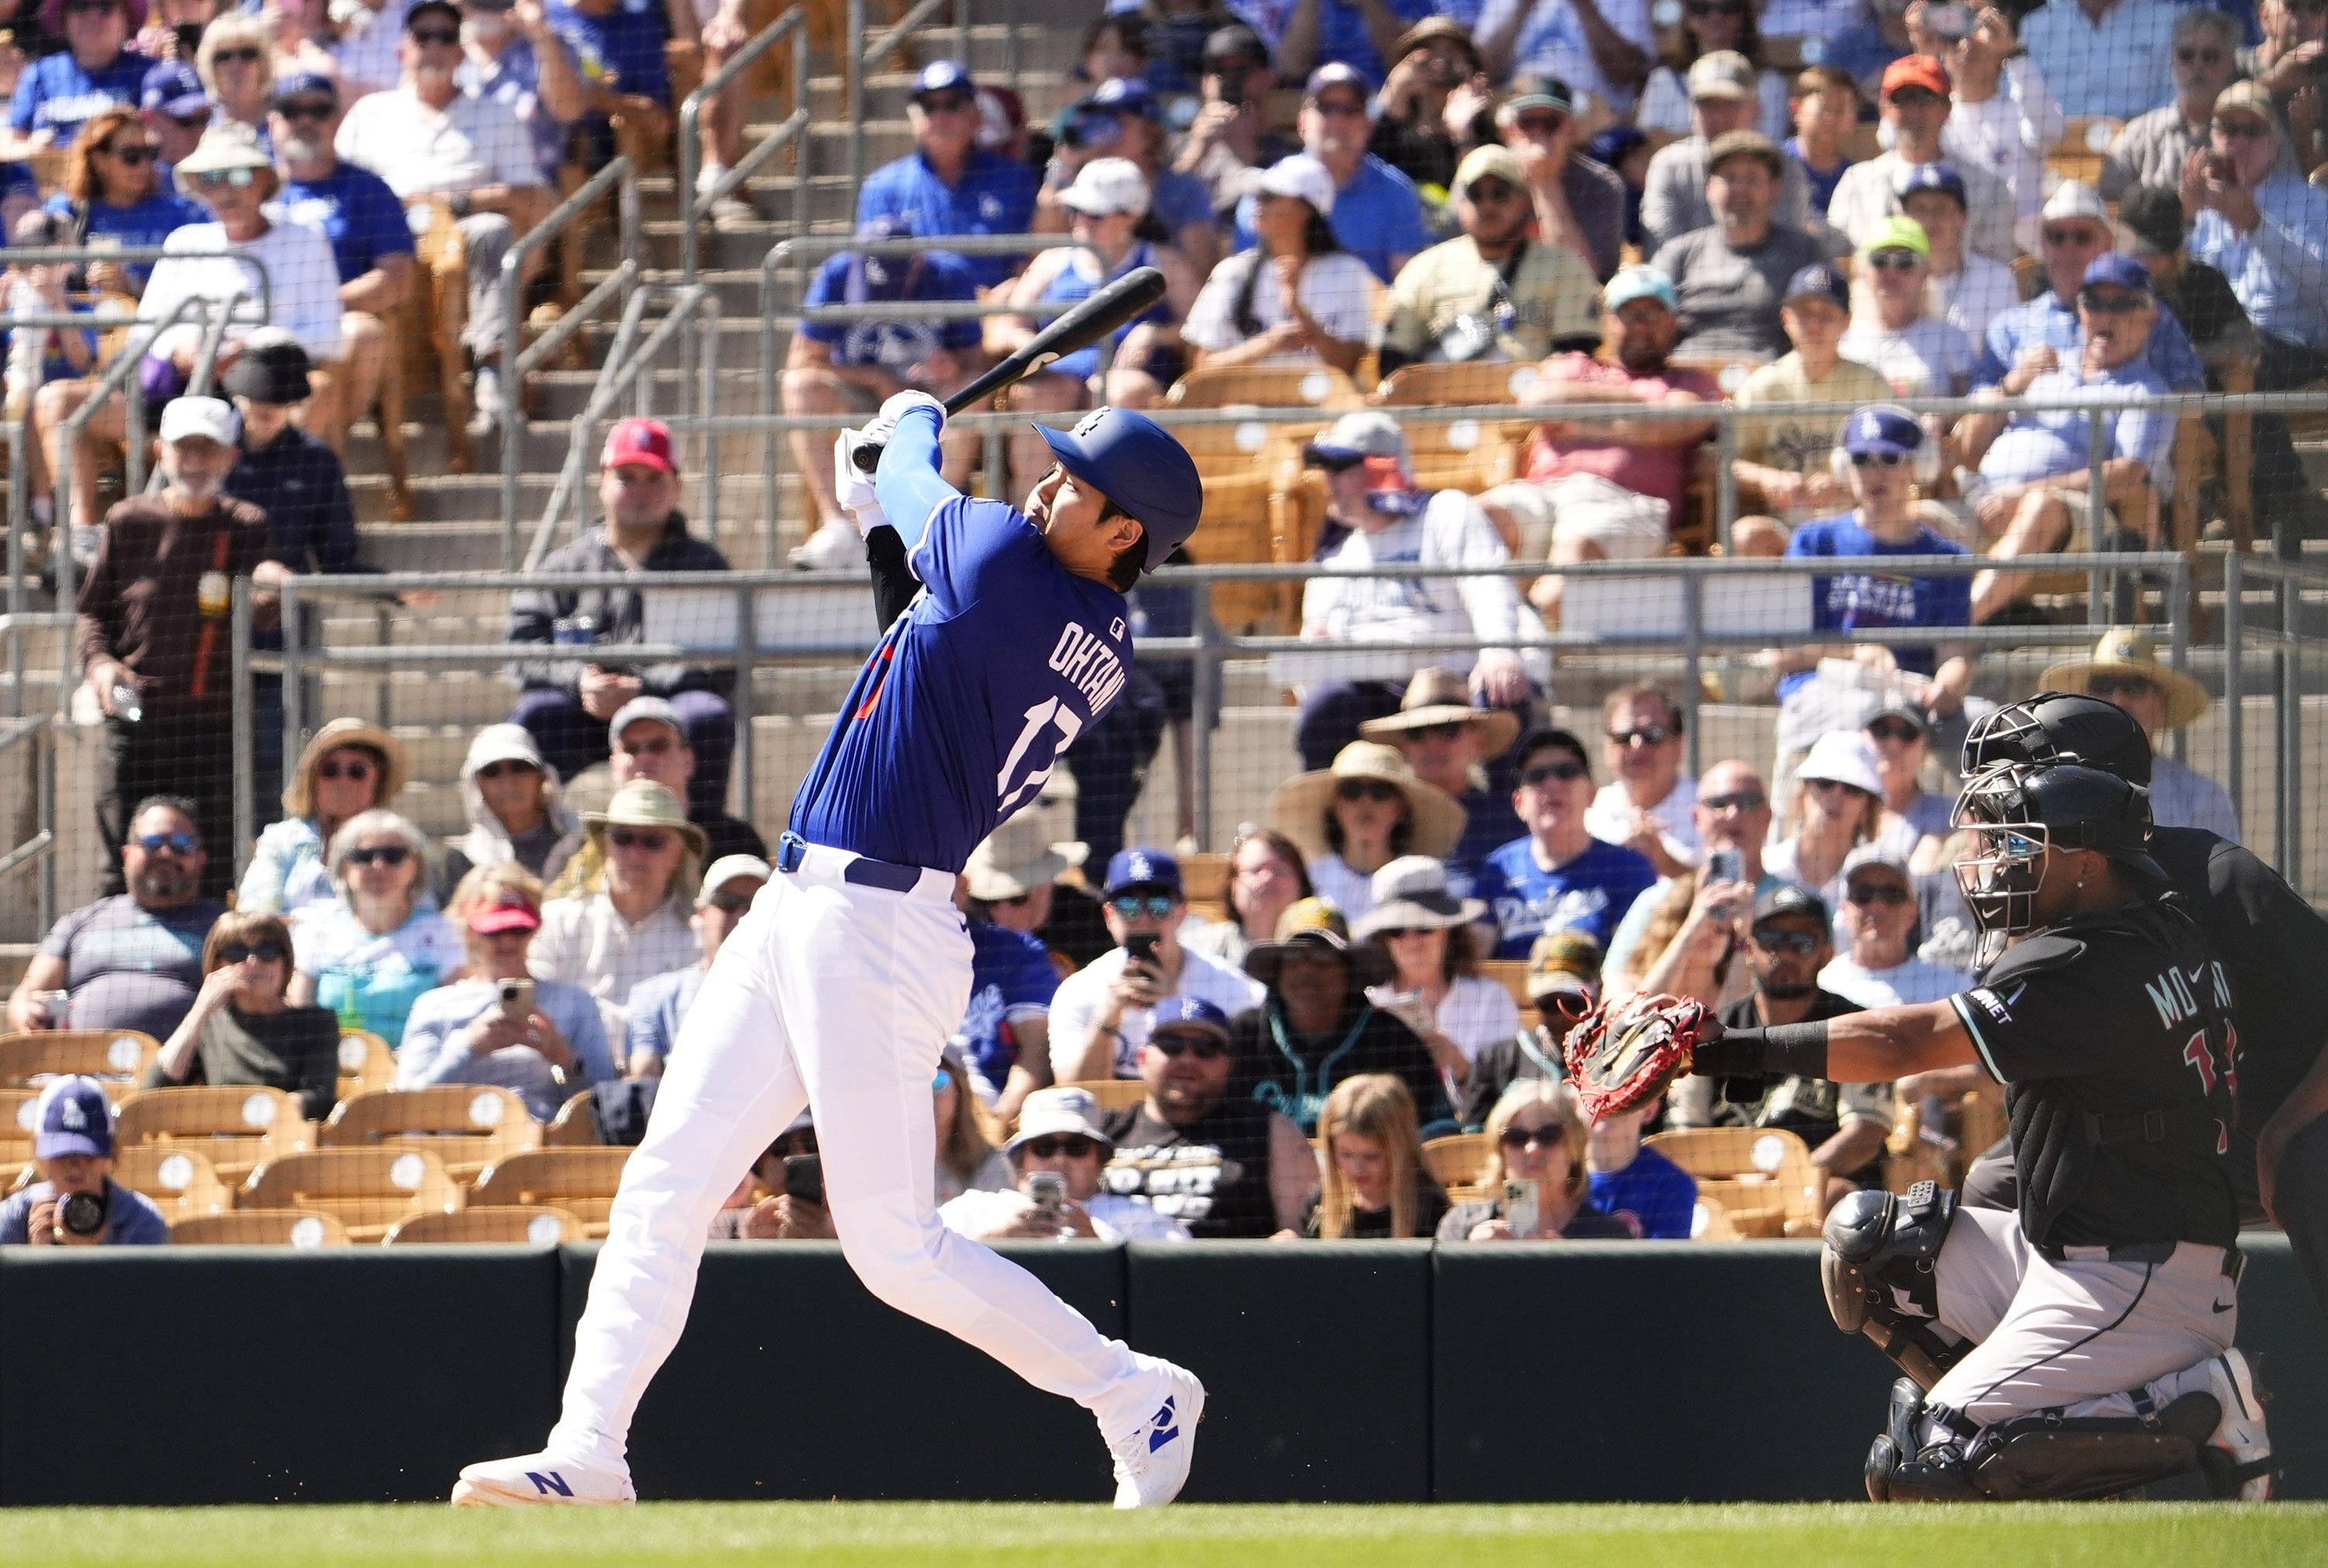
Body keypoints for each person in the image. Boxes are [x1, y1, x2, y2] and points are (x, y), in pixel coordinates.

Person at [457, 392, 1213, 1507]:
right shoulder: (1080, 620)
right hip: (810, 907)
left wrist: (905, 426)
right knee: (664, 1187)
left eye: (1076, 485)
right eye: (1054, 470)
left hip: (877, 926)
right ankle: (589, 1451)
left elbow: (921, 479)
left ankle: (1127, 1388)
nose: (1047, 484)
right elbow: (913, 640)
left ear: (1125, 537)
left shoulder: (1007, 559)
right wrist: (875, 513)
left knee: (895, 1247)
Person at [1687, 759, 2269, 1502]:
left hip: (2139, 1279)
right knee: (1872, 1247)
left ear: (2089, 863)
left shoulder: (2089, 958)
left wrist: (1725, 1048)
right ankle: (2043, 1429)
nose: (1993, 865)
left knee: (1925, 1465)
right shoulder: (2165, 928)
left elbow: (1906, 1041)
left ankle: (2196, 1401)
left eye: (2020, 847)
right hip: (2077, 1251)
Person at [1958, 691, 2328, 1341]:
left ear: (2085, 790)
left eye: (2017, 781)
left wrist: (2288, 1128)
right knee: (1994, 1186)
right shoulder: (2038, 885)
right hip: (2169, 1134)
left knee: (2310, 1171)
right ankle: (2055, 1411)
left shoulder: (2220, 878)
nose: (2000, 803)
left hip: (2282, 1120)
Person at [72, 395, 270, 895]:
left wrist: (275, 587)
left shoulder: (246, 525)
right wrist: (99, 666)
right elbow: (92, 612)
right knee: (121, 861)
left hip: (215, 724)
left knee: (216, 862)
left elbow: (264, 603)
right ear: (160, 452)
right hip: (134, 718)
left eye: (210, 450)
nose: (197, 462)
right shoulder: (127, 520)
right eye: (186, 450)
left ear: (231, 457)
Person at [331, 0, 552, 431]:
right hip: (385, 235)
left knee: (494, 231)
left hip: (465, 227)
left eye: (446, 37)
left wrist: (454, 203)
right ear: (403, 50)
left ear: (461, 52)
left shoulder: (495, 114)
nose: (433, 46)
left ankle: (492, 373)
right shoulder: (369, 113)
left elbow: (532, 196)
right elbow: (337, 185)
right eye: (422, 36)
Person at [504, 417, 737, 819]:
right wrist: (579, 680)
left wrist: (645, 688)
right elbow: (522, 649)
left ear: (676, 487)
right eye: (627, 477)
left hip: (666, 714)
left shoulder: (704, 565)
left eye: (654, 478)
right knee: (534, 715)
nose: (640, 492)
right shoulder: (564, 567)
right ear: (602, 482)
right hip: (582, 713)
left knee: (707, 714)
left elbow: (720, 664)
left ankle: (699, 841)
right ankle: (535, 847)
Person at [1280, 412, 1536, 771]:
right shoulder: (1335, 555)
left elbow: (1487, 585)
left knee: (1505, 695)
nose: (1330, 482)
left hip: (1454, 685)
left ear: (1380, 469)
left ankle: (1503, 824)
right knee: (1323, 710)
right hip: (1374, 689)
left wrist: (1499, 652)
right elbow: (1313, 647)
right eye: (1328, 470)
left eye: (1342, 469)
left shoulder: (1446, 512)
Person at [1476, 268, 1720, 624]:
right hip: (1545, 493)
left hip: (1627, 504)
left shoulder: (1692, 380)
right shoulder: (1572, 365)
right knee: (1481, 517)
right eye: (1628, 313)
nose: (1640, 325)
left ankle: (1521, 648)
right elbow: (1538, 403)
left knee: (1576, 552)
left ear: (1672, 323)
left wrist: (1578, 420)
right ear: (1607, 321)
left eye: (1652, 314)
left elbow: (1680, 421)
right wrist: (1643, 407)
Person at [1955, 255, 2178, 624]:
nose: (2105, 316)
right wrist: (2010, 386)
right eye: (2094, 303)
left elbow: (2129, 475)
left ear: (2148, 318)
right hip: (1983, 499)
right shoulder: (2043, 368)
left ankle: (1953, 628)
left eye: (2121, 304)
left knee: (2040, 507)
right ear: (2080, 310)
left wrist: (2023, 495)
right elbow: (1967, 450)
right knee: (1914, 520)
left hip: (2077, 516)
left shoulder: (2146, 391)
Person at [1768, 406, 1974, 768]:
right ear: (1843, 467)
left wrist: (1949, 684)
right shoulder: (1814, 543)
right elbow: (1782, 652)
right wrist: (1854, 652)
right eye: (1861, 458)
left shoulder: (1948, 559)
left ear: (1917, 467)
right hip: (1823, 689)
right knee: (1872, 717)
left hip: (1910, 698)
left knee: (1985, 725)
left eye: (1890, 459)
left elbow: (1953, 654)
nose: (1874, 472)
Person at [217, 331, 372, 805]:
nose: (266, 407)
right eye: (258, 397)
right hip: (202, 632)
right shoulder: (207, 453)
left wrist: (392, 588)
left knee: (278, 757)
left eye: (278, 399)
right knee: (208, 760)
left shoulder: (315, 460)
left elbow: (338, 555)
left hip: (281, 635)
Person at [1678, 881, 1886, 1210]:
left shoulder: (1853, 1025)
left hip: (1820, 1191)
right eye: (1771, 939)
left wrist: (1792, 1180)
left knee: (1838, 1195)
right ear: (1748, 950)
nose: (1785, 953)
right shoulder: (1710, 1032)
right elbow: (1686, 1136)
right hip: (1729, 1190)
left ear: (1827, 953)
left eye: (1802, 941)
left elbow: (1864, 1134)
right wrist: (1740, 1185)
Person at [998, 154, 1197, 489]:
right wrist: (1039, 350)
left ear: (1130, 217)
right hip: (1058, 376)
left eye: (1094, 215)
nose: (1080, 222)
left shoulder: (1163, 262)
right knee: (1041, 395)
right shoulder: (1053, 261)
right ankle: (1027, 514)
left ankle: (1112, 507)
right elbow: (1005, 326)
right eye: (1075, 210)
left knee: (1118, 391)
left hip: (1126, 378)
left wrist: (1155, 334)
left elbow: (1202, 328)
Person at [783, 220, 985, 548]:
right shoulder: (838, 273)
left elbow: (977, 363)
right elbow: (803, 360)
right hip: (862, 393)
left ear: (917, 261)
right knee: (801, 386)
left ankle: (930, 520)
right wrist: (877, 379)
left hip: (931, 396)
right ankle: (839, 527)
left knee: (973, 386)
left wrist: (953, 366)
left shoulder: (949, 274)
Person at [2181, 79, 2328, 529]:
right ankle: (2224, 495)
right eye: (2229, 130)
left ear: (2275, 140)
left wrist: (2255, 224)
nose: (2240, 142)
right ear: (2212, 138)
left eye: (2253, 131)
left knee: (2242, 365)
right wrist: (2185, 217)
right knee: (2189, 364)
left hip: (2297, 342)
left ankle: (2284, 494)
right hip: (2221, 341)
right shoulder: (2201, 210)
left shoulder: (2308, 201)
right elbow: (2179, 290)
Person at [130, 119, 344, 405]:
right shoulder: (184, 242)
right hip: (185, 392)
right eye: (211, 177)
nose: (224, 190)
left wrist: (252, 349)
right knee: (60, 401)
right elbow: (145, 330)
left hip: (274, 393)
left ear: (264, 180)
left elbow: (330, 337)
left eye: (239, 175)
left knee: (318, 390)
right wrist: (185, 349)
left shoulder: (306, 238)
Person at [397, 864, 617, 1120]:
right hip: (454, 1143)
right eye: (495, 931)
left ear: (536, 928)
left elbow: (608, 1103)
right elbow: (406, 1105)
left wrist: (561, 1055)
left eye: (519, 929)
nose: (508, 941)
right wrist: (468, 1046)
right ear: (469, 931)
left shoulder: (575, 1002)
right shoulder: (434, 1005)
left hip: (542, 1146)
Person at [271, 70, 416, 454]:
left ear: (337, 119)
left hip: (334, 320)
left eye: (318, 110)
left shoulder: (369, 189)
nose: (305, 121)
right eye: (291, 110)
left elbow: (397, 279)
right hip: (260, 321)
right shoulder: (251, 187)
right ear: (273, 122)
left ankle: (314, 452)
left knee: (363, 333)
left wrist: (321, 303)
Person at [1228, 898, 1450, 1134]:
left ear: (1348, 970)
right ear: (1278, 970)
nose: (1306, 970)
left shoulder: (1391, 1039)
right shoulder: (1244, 1035)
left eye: (1322, 956)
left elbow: (1438, 1129)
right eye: (1293, 957)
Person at [6, 796, 223, 1037]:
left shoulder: (222, 926)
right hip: (77, 1067)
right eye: (152, 842)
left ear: (201, 857)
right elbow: (26, 993)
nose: (165, 853)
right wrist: (25, 1009)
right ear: (127, 854)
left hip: (182, 1070)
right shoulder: (79, 922)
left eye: (181, 843)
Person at [1100, 995, 1314, 1238]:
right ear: (1142, 1059)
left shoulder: (1270, 1129)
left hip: (1230, 1272)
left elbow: (1299, 1236)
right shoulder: (1101, 1132)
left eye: (1206, 1049)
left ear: (1228, 1066)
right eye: (1171, 1045)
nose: (1188, 1059)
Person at [1972, 179, 2208, 398]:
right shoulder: (2009, 326)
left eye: (2082, 237)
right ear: (2043, 244)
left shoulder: (2152, 317)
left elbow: (2190, 401)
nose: (2069, 249)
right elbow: (1972, 410)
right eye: (2057, 237)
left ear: (2108, 245)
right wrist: (2013, 384)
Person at [1046, 846, 1265, 1083]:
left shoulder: (1232, 988)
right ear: (1109, 916)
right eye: (1129, 907)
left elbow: (1248, 1085)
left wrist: (1178, 1009)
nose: (1144, 919)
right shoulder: (1079, 990)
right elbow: (1073, 1093)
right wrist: (1108, 1017)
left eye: (1159, 906)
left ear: (1182, 913)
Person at [1380, 143, 1601, 375]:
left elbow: (1578, 359)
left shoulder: (1566, 267)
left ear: (1526, 199)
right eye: (1475, 194)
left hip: (1534, 401)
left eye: (1500, 193)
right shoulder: (1425, 268)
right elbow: (1393, 360)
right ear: (1460, 202)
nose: (1488, 205)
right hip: (1444, 402)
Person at [1729, 262, 1893, 547]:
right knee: (1747, 535)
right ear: (1786, 318)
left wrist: (1849, 486)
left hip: (1858, 521)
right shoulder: (1763, 386)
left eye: (1827, 315)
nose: (1814, 325)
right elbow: (1725, 462)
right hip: (1783, 527)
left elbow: (1901, 462)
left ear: (1846, 322)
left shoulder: (1872, 385)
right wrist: (1767, 478)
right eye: (1804, 314)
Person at [530, 778, 702, 1041]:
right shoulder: (557, 921)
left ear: (678, 855)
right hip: (572, 1074)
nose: (636, 853)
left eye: (653, 841)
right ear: (605, 847)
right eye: (623, 838)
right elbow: (536, 1009)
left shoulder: (698, 936)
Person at [1229, 63, 1430, 286]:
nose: (1337, 120)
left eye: (1350, 109)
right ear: (1302, 121)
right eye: (1325, 108)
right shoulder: (1265, 192)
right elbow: (1244, 281)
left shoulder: (1397, 193)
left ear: (1368, 125)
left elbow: (1403, 290)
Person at [1471, 725, 1658, 959]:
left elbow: (1635, 965)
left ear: (1592, 793)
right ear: (1519, 804)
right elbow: (1476, 962)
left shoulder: (1628, 869)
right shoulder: (1498, 869)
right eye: (1536, 776)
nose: (1552, 784)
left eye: (1567, 772)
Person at [853, 60, 1039, 292]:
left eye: (953, 104)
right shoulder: (883, 187)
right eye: (928, 107)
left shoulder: (1014, 179)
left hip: (994, 317)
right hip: (913, 320)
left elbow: (1029, 265)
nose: (940, 116)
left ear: (977, 116)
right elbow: (872, 269)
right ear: (914, 118)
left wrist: (1007, 296)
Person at [1602, 758, 1774, 1006]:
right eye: (1719, 803)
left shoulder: (1790, 901)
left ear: (1768, 817)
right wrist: (1693, 922)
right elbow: (1616, 1003)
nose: (1733, 813)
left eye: (1747, 803)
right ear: (1696, 818)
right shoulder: (1657, 901)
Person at [2039, 629, 2239, 840]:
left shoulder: (2201, 797)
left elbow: (2224, 873)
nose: (2118, 700)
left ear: (2161, 706)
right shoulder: (2056, 788)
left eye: (2134, 686)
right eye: (2103, 685)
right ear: (2085, 702)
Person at [287, 807, 462, 1046]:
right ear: (343, 867)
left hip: (416, 1074)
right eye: (363, 856)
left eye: (393, 855)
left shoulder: (444, 931)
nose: (378, 866)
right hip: (335, 1073)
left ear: (416, 866)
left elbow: (458, 1018)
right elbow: (298, 1017)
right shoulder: (315, 931)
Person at [1183, 154, 1371, 376]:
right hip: (1243, 407)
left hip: (1323, 406)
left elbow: (1349, 365)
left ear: (1306, 209)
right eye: (1257, 195)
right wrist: (1270, 342)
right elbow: (1202, 368)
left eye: (1269, 196)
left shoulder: (1348, 272)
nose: (1257, 203)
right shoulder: (1232, 272)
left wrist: (1297, 309)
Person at [142, 909, 339, 1118]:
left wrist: (243, 1115)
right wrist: (200, 1011)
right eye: (236, 952)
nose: (253, 962)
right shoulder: (206, 1025)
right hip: (220, 1141)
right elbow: (154, 1093)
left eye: (267, 950)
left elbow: (318, 1099)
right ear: (218, 963)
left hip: (287, 1141)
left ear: (285, 960)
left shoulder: (316, 1023)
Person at [1652, 127, 1826, 362]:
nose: (1740, 189)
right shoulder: (1678, 255)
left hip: (1770, 386)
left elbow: (1826, 320)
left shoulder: (1804, 252)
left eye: (1752, 178)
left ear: (1774, 189)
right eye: (1730, 177)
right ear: (1710, 188)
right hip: (1687, 382)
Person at [1824, 55, 2013, 265]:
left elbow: (1997, 268)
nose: (1914, 110)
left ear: (1947, 108)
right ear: (1884, 108)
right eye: (1902, 98)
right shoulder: (1857, 182)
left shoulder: (1988, 187)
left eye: (1925, 97)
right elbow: (1837, 259)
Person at [941, 1086, 1187, 1242]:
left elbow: (1176, 1280)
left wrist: (1097, 1245)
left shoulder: (1139, 1217)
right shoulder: (974, 1210)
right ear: (1020, 1161)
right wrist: (994, 1240)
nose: (1060, 1159)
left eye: (1076, 1147)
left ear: (1099, 1162)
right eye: (1044, 1147)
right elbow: (921, 1257)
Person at [1354, 669, 1523, 894]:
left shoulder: (1508, 822)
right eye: (1417, 732)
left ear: (1477, 741)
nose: (1431, 744)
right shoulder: (1382, 815)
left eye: (1447, 730)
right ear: (1403, 746)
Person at [1356, 853, 1516, 1087]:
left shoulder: (1491, 999)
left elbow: (1511, 1091)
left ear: (1449, 930)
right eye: (1397, 929)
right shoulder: (1367, 1005)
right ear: (1383, 940)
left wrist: (1459, 1064)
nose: (1412, 941)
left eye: (1424, 926)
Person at [1269, 739, 1467, 922]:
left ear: (1400, 809)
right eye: (1351, 791)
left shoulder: (1421, 879)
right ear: (1335, 807)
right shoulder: (1309, 880)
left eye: (1381, 791)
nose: (1366, 802)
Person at [1038, 76, 1218, 275]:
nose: (1106, 129)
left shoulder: (1183, 189)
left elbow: (1202, 271)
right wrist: (1063, 164)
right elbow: (1041, 246)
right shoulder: (1082, 181)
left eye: (1118, 121)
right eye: (1101, 119)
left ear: (1150, 129)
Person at [1639, 51, 1814, 256]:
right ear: (1692, 110)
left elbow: (1789, 250)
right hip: (1685, 284)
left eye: (1731, 103)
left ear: (1756, 109)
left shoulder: (1785, 169)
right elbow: (1664, 249)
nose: (1719, 115)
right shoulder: (1668, 165)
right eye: (1707, 104)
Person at [239, 716, 407, 919]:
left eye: (357, 771)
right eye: (330, 770)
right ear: (313, 782)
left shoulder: (398, 845)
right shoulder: (280, 839)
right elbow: (257, 912)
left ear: (378, 783)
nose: (343, 781)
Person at [1925, 3, 2059, 251]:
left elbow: (2049, 130)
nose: (1966, 46)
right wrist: (1923, 48)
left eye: (1977, 40)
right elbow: (1891, 138)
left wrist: (2014, 52)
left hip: (2020, 254)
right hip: (1955, 253)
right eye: (1956, 41)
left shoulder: (2020, 110)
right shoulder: (1933, 118)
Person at [623, 853, 767, 1078]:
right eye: (727, 903)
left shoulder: (797, 998)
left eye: (756, 906)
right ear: (701, 912)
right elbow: (643, 1084)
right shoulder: (653, 997)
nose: (741, 917)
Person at [1439, 1078, 1633, 1240]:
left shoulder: (1608, 1236)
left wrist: (1572, 1266)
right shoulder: (1461, 1226)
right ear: (1500, 1153)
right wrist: (1468, 1260)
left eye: (1549, 1136)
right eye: (1516, 1138)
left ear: (1573, 1149)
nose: (1532, 1149)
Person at [42, 102, 203, 296]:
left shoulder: (184, 213)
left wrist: (132, 287)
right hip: (83, 324)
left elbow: (204, 286)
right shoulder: (67, 212)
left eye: (150, 153)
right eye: (131, 156)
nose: (144, 165)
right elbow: (40, 281)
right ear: (99, 160)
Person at [952, 840, 1063, 1112]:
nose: (1004, 911)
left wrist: (1001, 1117)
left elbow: (1036, 1051)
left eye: (1018, 898)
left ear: (963, 888)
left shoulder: (1017, 951)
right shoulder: (880, 950)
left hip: (988, 1110)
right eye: (990, 902)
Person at [0, 1077, 171, 1245]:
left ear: (110, 1152)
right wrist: (33, 1260)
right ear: (39, 1153)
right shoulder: (12, 1217)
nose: (75, 1166)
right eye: (62, 1154)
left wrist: (89, 1256)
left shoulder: (140, 1219)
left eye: (88, 1155)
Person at [1455, 929, 1599, 1127]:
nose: (1562, 1016)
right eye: (1549, 1003)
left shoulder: (1619, 1057)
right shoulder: (1495, 1059)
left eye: (1574, 1004)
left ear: (1597, 996)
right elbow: (1474, 1136)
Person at [2101, 7, 2243, 202]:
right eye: (2186, 55)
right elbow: (2108, 208)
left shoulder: (2251, 134)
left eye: (2210, 56)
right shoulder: (2138, 135)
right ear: (2173, 60)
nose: (2197, 66)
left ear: (2232, 63)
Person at [601, 696, 764, 865]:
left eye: (659, 745)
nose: (645, 757)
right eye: (631, 748)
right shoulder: (593, 843)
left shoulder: (736, 841)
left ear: (688, 760)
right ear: (614, 765)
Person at [436, 722, 585, 903]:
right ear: (477, 784)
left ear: (541, 776)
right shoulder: (464, 859)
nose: (508, 781)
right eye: (492, 771)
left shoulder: (582, 841)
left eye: (519, 767)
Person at [1498, 76, 1628, 282]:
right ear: (1508, 130)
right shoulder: (1488, 176)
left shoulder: (1602, 185)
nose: (1538, 133)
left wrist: (1545, 184)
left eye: (1551, 123)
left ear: (1572, 129)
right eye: (1527, 122)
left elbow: (1590, 279)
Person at [1838, 215, 1974, 398]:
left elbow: (1974, 409)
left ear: (1926, 272)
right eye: (1880, 261)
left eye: (1905, 262)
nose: (1891, 273)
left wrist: (1944, 417)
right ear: (1864, 270)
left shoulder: (1949, 337)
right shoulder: (1843, 338)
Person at [1818, 843, 1969, 1007]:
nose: (1877, 906)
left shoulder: (1951, 988)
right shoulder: (1822, 984)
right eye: (1864, 894)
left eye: (1892, 894)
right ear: (1844, 909)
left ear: (1913, 911)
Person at [1170, 22, 1295, 221]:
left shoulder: (1285, 153)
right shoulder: (1177, 146)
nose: (1230, 81)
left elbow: (1288, 215)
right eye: (1219, 71)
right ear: (1205, 82)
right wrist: (1197, 152)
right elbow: (1162, 206)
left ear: (1268, 79)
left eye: (1241, 70)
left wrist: (1245, 151)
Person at [1303, 1070, 1447, 1237]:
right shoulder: (1321, 1205)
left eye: (1371, 1156)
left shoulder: (1429, 1209)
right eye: (1346, 1155)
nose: (1357, 1169)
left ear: (1400, 1150)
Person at [4, 0, 151, 156]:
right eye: (80, 6)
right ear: (64, 20)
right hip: (50, 178)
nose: (92, 16)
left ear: (126, 18)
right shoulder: (39, 74)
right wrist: (33, 148)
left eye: (106, 6)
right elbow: (9, 143)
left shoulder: (150, 73)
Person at [1895, 163, 2014, 353]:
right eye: (1920, 209)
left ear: (1963, 217)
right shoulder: (1890, 277)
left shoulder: (1997, 278)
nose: (1930, 220)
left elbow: (2006, 354)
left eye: (1941, 208)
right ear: (1905, 217)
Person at [1365, 16, 1491, 194]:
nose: (1440, 61)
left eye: (1451, 51)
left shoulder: (1484, 129)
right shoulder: (1390, 130)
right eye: (1428, 51)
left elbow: (1483, 195)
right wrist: (1394, 92)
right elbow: (1362, 170)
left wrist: (1463, 132)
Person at [1584, 684, 1698, 879]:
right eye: (1623, 736)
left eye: (1652, 735)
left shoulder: (1714, 807)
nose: (1636, 746)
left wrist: (1665, 862)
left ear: (1679, 745)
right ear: (1606, 746)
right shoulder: (1589, 811)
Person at [1766, 730, 1886, 913]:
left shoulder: (1879, 879)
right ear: (1803, 794)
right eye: (1825, 782)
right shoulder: (1767, 865)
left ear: (1867, 809)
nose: (1837, 795)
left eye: (1852, 788)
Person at [1474, 0, 1654, 119]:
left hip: (1597, 117)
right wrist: (1523, 6)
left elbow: (1629, 71)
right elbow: (1481, 68)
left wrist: (1584, 6)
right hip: (1520, 109)